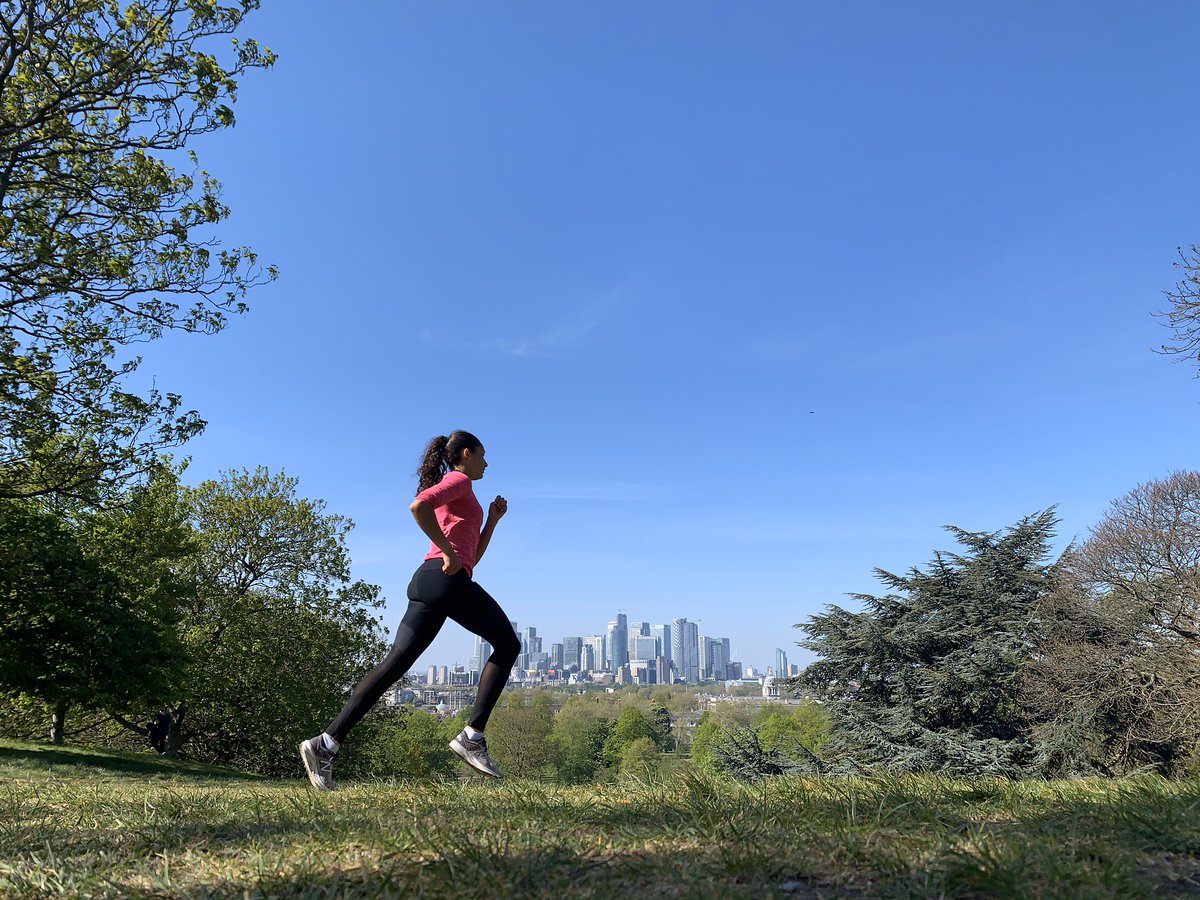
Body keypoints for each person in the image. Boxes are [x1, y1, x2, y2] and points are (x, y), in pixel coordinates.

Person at [299, 431, 520, 790]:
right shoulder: (459, 479)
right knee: (509, 645)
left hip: (429, 581)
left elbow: (472, 559)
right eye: (483, 455)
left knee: (392, 666)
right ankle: (472, 736)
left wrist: (491, 521)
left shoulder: (464, 490)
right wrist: (447, 551)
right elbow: (419, 505)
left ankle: (325, 743)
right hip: (445, 578)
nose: (487, 463)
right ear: (466, 454)